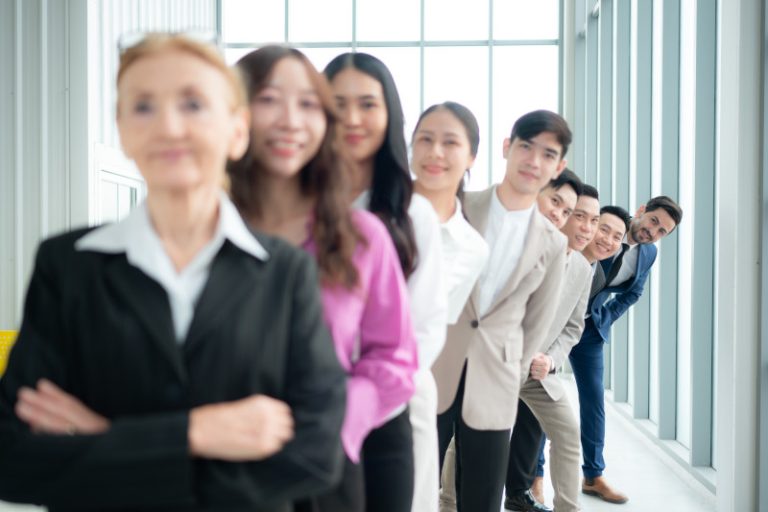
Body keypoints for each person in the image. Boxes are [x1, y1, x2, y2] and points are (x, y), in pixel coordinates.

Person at [0, 34, 346, 512]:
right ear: (121, 129)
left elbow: (314, 457)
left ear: (237, 131)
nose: (168, 126)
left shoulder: (284, 273)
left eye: (192, 104)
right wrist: (195, 432)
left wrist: (109, 439)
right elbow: (14, 456)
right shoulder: (68, 265)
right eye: (142, 106)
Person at [227, 45, 418, 512]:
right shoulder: (201, 229)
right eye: (270, 99)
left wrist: (342, 420)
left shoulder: (361, 236)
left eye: (309, 104)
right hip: (216, 459)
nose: (291, 120)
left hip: (320, 467)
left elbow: (394, 356)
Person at [325, 52, 447, 512]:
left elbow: (426, 324)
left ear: (389, 113)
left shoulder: (412, 212)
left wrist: (366, 397)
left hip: (388, 408)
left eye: (367, 104)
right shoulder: (298, 204)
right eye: (338, 104)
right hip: (307, 406)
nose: (352, 118)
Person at [431, 109, 569, 512]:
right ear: (508, 148)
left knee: (483, 498)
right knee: (413, 486)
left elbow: (538, 323)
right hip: (434, 364)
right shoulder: (458, 206)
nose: (534, 161)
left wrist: (512, 369)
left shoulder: (553, 244)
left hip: (495, 381)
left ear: (558, 166)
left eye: (548, 154)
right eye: (526, 147)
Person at [440, 178, 593, 512]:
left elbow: (572, 328)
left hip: (537, 370)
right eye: (576, 215)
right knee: (465, 434)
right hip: (491, 359)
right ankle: (447, 502)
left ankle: (569, 507)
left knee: (567, 431)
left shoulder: (583, 268)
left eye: (591, 220)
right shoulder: (512, 240)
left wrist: (551, 360)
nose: (584, 226)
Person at [570, 197, 682, 504]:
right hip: (556, 318)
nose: (653, 232)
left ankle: (593, 476)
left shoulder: (648, 253)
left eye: (662, 232)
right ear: (642, 211)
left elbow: (634, 292)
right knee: (541, 397)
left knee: (593, 400)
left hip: (589, 329)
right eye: (655, 221)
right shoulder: (603, 229)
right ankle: (534, 477)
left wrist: (605, 317)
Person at [410, 101, 489, 324]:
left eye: (450, 142)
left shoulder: (473, 249)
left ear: (471, 157)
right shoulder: (371, 203)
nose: (435, 152)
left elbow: (435, 329)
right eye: (425, 139)